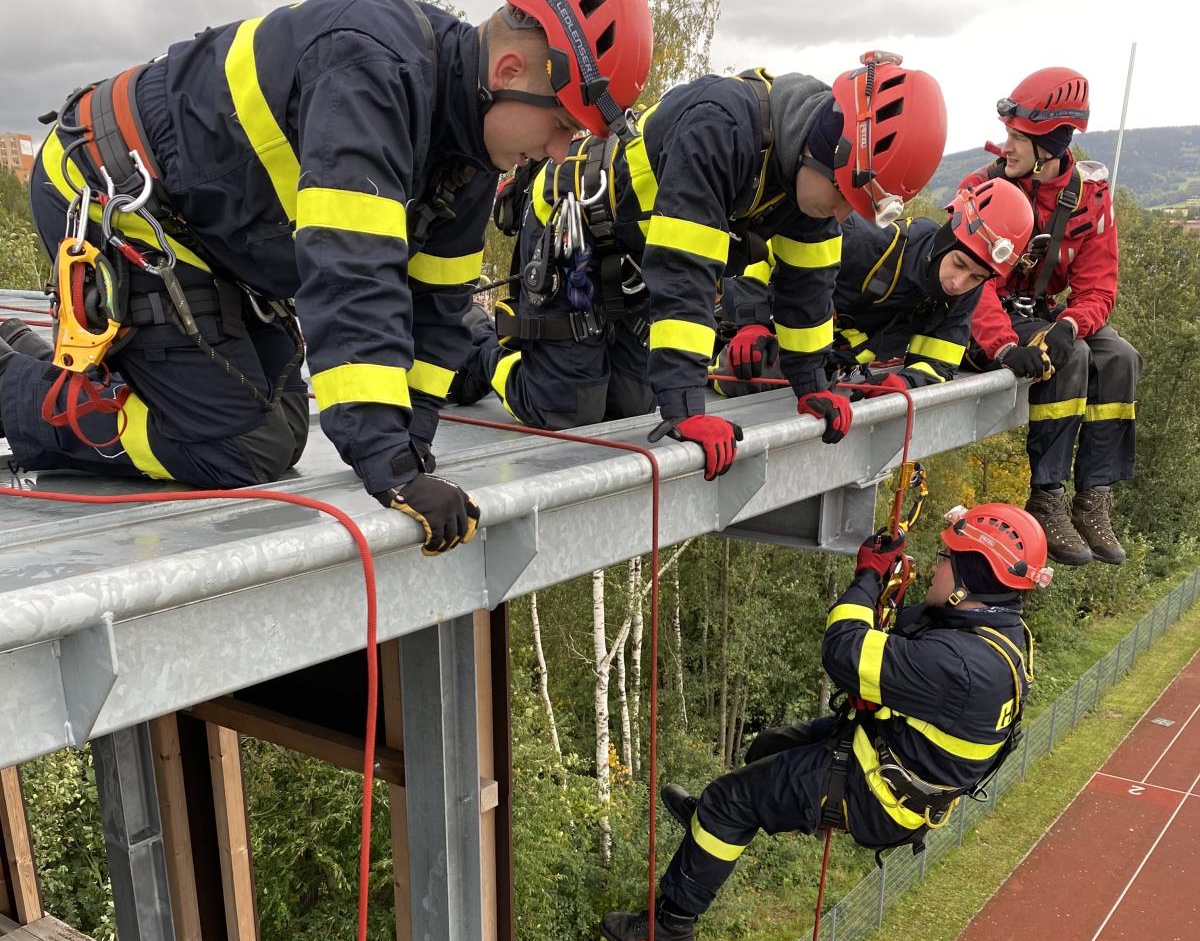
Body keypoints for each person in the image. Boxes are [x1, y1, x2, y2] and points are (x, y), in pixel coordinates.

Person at [0, 0, 652, 555]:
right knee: (237, 445)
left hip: (215, 236)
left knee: (280, 427)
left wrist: (412, 445)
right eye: (564, 123)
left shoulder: (472, 156)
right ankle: (15, 390)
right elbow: (351, 279)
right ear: (509, 71)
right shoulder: (371, 63)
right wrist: (387, 466)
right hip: (113, 190)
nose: (564, 150)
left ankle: (56, 364)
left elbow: (437, 312)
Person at [453, 53, 946, 472]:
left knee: (629, 405)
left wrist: (812, 385)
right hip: (569, 232)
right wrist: (687, 406)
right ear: (825, 147)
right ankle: (475, 341)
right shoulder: (722, 125)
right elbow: (685, 268)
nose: (841, 214)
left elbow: (809, 287)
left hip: (633, 261)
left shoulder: (807, 176)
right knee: (564, 410)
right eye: (843, 195)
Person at [602, 502, 1049, 941]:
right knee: (768, 747)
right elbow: (918, 637)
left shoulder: (960, 666)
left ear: (969, 579)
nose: (937, 565)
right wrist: (894, 583)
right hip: (892, 750)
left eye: (945, 558)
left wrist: (868, 579)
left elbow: (844, 650)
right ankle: (708, 833)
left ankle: (672, 925)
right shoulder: (997, 632)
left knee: (730, 803)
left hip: (875, 789)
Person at [962, 68, 1141, 567]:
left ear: (1052, 146)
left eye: (1019, 138)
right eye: (1009, 135)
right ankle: (1047, 494)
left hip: (1041, 313)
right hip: (988, 318)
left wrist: (1067, 325)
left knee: (1121, 358)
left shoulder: (1089, 198)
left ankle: (1093, 496)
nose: (1007, 147)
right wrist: (1003, 346)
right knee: (1074, 358)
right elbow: (971, 285)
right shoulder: (983, 187)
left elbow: (1098, 285)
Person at [712, 177, 1036, 397]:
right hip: (757, 333)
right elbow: (761, 251)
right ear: (944, 239)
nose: (957, 284)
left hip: (828, 366)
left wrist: (902, 383)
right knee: (738, 374)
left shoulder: (964, 293)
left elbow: (938, 363)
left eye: (977, 277)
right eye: (959, 265)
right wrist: (750, 323)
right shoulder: (863, 241)